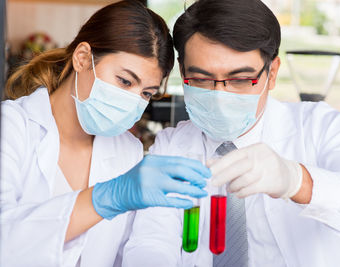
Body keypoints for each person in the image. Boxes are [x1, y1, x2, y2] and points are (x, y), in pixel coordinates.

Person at [122, 0, 340, 266]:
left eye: (241, 79)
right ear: (182, 73)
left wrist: (299, 182)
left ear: (273, 72)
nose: (220, 94)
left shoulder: (317, 127)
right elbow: (151, 241)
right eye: (201, 79)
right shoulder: (173, 146)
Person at [0, 1, 211, 266]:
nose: (134, 102)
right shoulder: (11, 128)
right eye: (125, 81)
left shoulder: (128, 151)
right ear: (83, 58)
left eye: (146, 93)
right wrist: (106, 198)